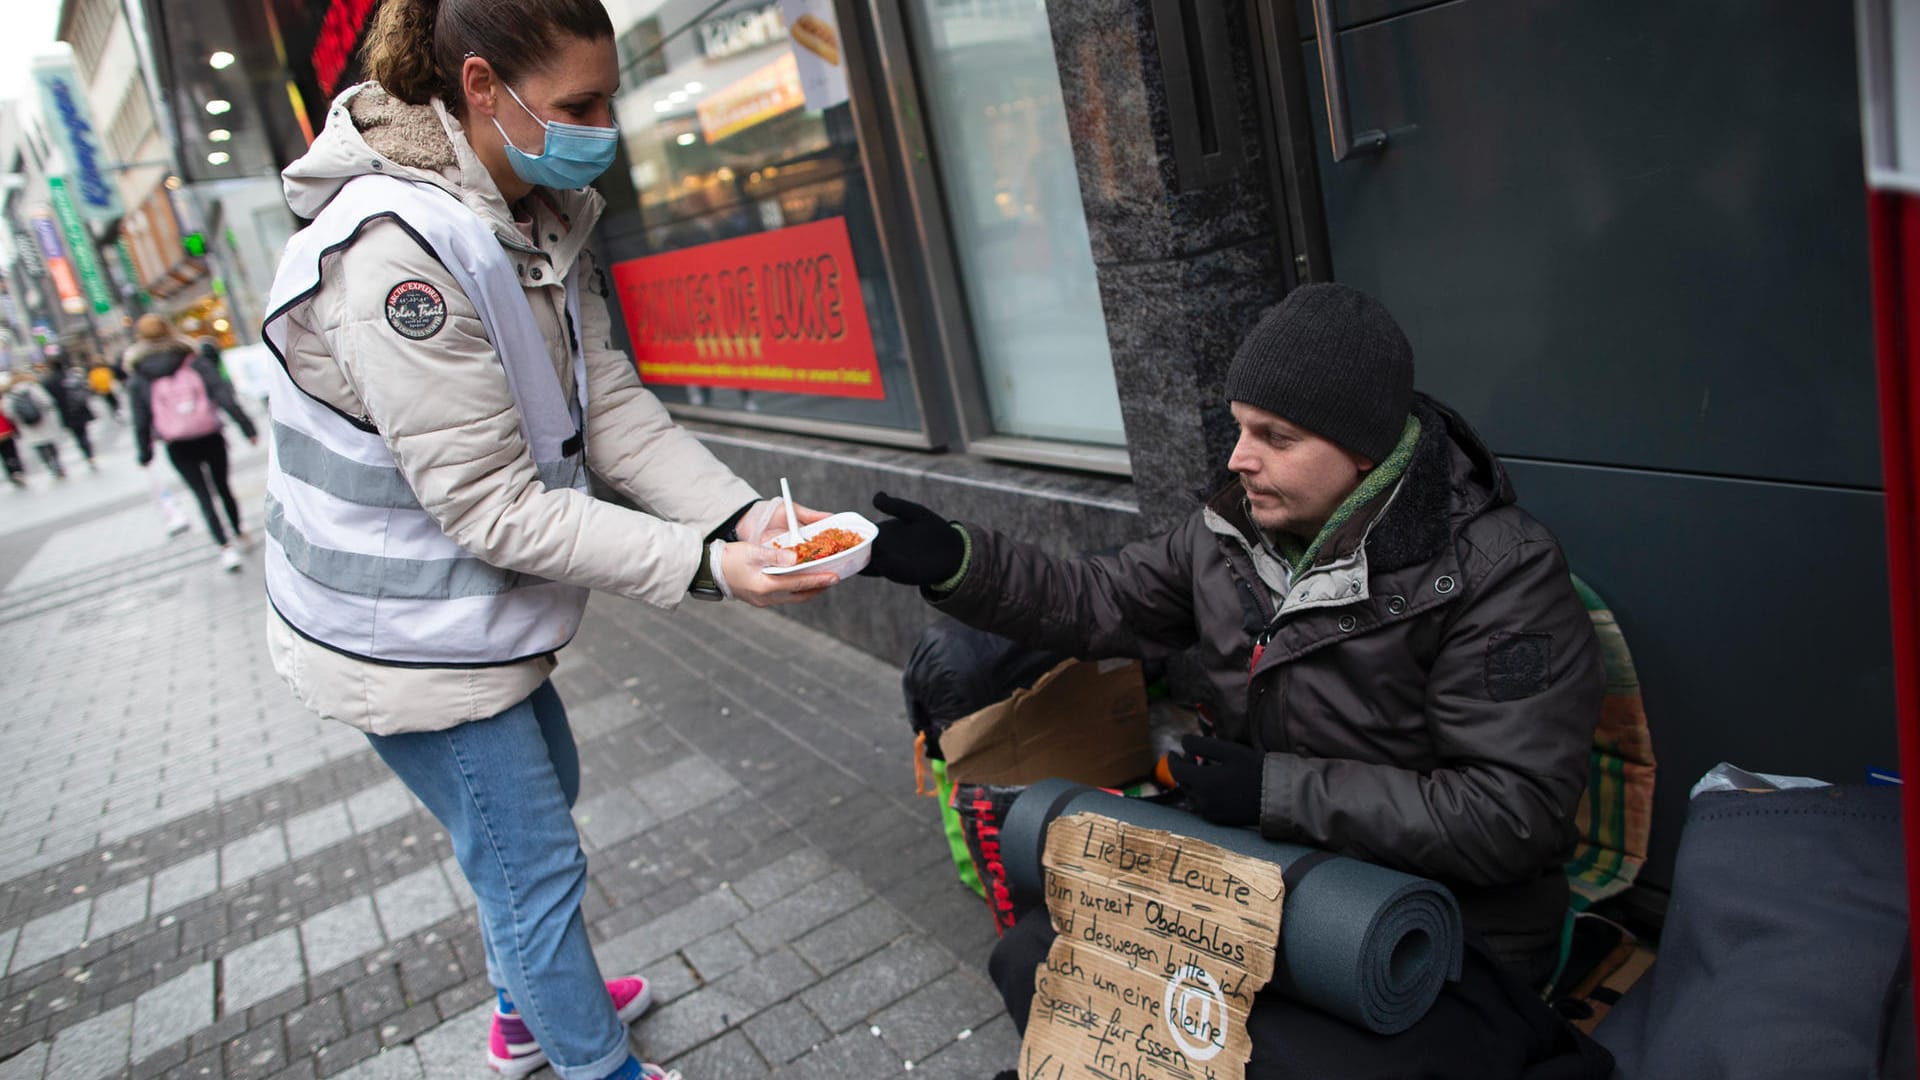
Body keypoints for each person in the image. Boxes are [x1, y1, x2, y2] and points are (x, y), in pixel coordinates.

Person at [260, 2, 844, 1077]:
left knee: (536, 812)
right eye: (579, 104)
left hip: (459, 616)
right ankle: (590, 1059)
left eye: (608, 95)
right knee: (531, 865)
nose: (603, 123)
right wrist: (708, 569)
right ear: (481, 87)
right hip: (401, 634)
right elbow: (488, 505)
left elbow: (605, 397)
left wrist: (738, 515)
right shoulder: (398, 251)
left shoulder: (527, 204)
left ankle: (528, 1008)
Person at [861, 284, 1610, 1077]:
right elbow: (1100, 600)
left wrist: (1275, 793)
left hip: (1434, 917)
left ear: (1362, 450)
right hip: (1264, 872)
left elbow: (1512, 815)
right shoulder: (1230, 533)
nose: (1238, 458)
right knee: (1036, 962)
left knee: (1260, 1057)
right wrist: (958, 561)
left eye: (1274, 436)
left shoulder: (1500, 572)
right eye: (1240, 427)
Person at [125, 314, 259, 571]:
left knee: (202, 494)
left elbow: (141, 418)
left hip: (177, 443)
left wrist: (145, 453)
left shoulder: (140, 373)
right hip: (209, 435)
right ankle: (239, 530)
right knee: (223, 487)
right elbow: (222, 393)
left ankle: (225, 547)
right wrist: (246, 426)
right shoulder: (191, 358)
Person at [2, 371, 67, 480]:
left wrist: (19, 419)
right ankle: (57, 463)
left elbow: (9, 412)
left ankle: (50, 465)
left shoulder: (9, 394)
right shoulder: (33, 387)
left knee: (39, 447)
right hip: (44, 421)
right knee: (50, 444)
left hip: (27, 426)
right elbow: (47, 401)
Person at [49, 358, 98, 470]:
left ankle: (86, 453)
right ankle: (89, 454)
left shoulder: (49, 381)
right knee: (84, 433)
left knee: (77, 435)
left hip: (66, 413)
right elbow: (86, 388)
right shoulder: (72, 375)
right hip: (80, 409)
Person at [88, 355, 122, 421]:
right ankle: (116, 410)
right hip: (109, 388)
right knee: (113, 400)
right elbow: (111, 377)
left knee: (109, 401)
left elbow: (92, 383)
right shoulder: (104, 370)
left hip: (102, 391)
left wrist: (95, 390)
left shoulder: (92, 373)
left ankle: (114, 411)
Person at [0, 400, 24, 487]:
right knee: (12, 453)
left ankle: (12, 473)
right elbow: (9, 415)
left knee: (4, 456)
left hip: (5, 434)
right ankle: (17, 471)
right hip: (7, 433)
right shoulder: (2, 403)